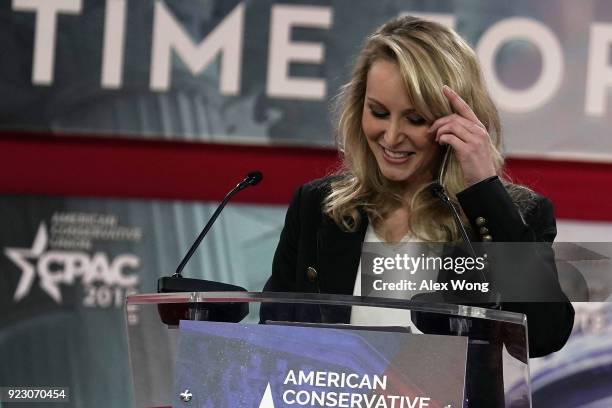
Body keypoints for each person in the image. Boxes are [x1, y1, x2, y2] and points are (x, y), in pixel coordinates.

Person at [260, 16, 574, 403]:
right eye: (378, 112)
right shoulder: (317, 206)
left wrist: (486, 191)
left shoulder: (514, 215)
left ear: (456, 122)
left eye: (415, 119)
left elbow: (544, 335)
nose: (391, 137)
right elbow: (274, 338)